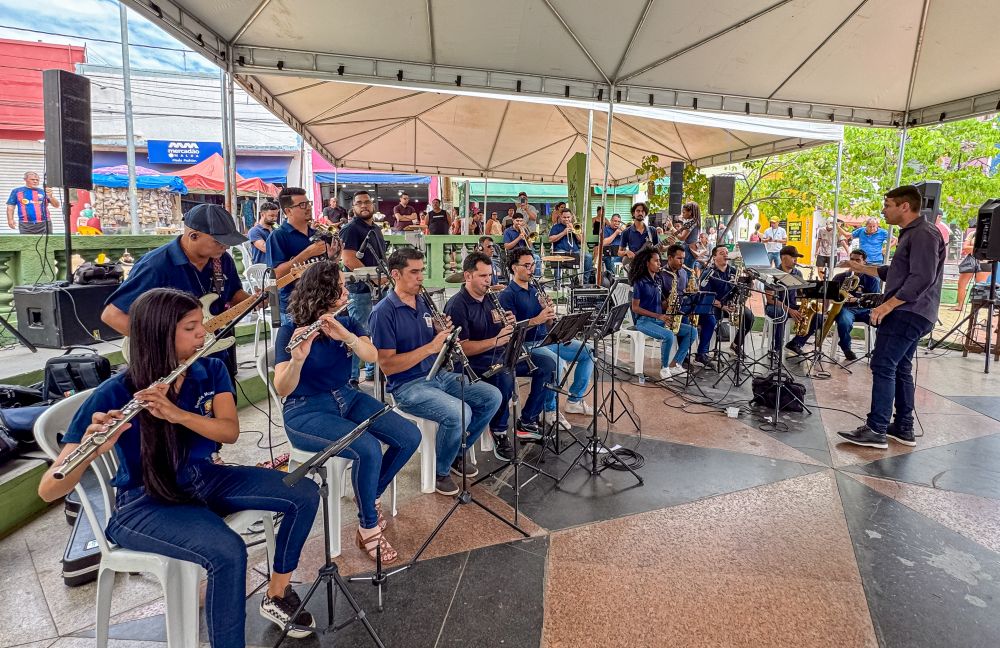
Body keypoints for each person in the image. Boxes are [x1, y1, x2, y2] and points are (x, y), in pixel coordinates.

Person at [39, 288, 320, 645]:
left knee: (305, 492)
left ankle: (278, 594)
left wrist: (178, 415)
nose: (202, 332)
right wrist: (95, 448)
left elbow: (229, 432)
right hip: (145, 503)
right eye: (190, 327)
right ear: (159, 334)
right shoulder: (115, 392)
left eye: (200, 324)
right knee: (228, 551)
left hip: (204, 477)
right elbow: (50, 487)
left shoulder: (211, 369)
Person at [273, 262, 419, 564]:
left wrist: (346, 337)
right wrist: (298, 359)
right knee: (367, 448)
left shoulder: (348, 322)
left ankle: (370, 492)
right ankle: (367, 528)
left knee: (409, 436)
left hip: (347, 396)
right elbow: (283, 388)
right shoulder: (289, 329)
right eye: (339, 287)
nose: (345, 291)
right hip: (305, 409)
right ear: (322, 293)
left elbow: (372, 355)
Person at [369, 248, 501, 495]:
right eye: (414, 272)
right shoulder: (383, 312)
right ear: (396, 274)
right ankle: (440, 470)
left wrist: (441, 332)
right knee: (460, 412)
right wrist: (430, 346)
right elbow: (387, 365)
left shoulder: (422, 301)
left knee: (491, 396)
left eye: (422, 271)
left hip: (437, 375)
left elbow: (435, 343)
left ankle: (457, 452)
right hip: (408, 386)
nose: (421, 277)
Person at [838, 185, 946, 449]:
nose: (883, 211)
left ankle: (876, 429)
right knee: (900, 367)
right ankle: (903, 427)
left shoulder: (923, 234)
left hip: (908, 312)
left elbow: (921, 277)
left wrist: (887, 306)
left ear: (904, 206)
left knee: (884, 365)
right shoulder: (914, 233)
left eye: (887, 205)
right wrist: (859, 267)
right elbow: (894, 273)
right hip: (914, 312)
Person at [101, 203, 251, 379]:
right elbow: (112, 315)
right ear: (193, 235)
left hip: (213, 354)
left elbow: (233, 294)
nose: (225, 247)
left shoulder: (222, 260)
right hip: (169, 363)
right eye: (219, 242)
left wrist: (256, 299)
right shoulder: (156, 265)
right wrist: (167, 344)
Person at [445, 252, 555, 459]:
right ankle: (500, 431)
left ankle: (528, 419)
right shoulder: (457, 305)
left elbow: (504, 332)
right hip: (472, 363)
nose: (489, 281)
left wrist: (510, 326)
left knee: (547, 364)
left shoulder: (490, 300)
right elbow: (461, 349)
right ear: (468, 276)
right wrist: (496, 341)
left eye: (490, 275)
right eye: (483, 276)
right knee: (504, 372)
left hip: (498, 354)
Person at [500, 248, 594, 431]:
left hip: (547, 339)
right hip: (527, 344)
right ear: (514, 268)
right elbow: (510, 331)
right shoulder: (507, 295)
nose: (531, 269)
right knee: (555, 363)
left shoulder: (536, 288)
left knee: (587, 351)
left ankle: (574, 400)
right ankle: (549, 410)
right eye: (526, 266)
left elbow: (548, 323)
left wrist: (549, 315)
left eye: (532, 265)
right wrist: (537, 320)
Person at [266, 187, 336, 322]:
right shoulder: (278, 236)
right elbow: (276, 274)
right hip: (294, 307)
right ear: (288, 211)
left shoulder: (316, 233)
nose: (308, 208)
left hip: (320, 302)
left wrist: (332, 257)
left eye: (308, 203)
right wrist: (307, 253)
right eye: (302, 205)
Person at [339, 190, 387, 385]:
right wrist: (373, 279)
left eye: (367, 202)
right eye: (359, 203)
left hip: (377, 289)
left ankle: (371, 371)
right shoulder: (351, 229)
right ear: (354, 207)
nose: (364, 205)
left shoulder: (375, 228)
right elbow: (348, 258)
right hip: (360, 290)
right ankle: (351, 379)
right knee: (358, 333)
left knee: (373, 331)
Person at [628, 246, 694, 380]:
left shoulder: (657, 280)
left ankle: (675, 364)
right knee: (669, 335)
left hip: (659, 320)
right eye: (657, 261)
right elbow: (635, 308)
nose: (660, 264)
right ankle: (664, 368)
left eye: (659, 261)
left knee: (692, 331)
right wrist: (659, 316)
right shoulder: (639, 282)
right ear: (647, 263)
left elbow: (660, 303)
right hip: (644, 321)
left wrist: (670, 303)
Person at [697, 245, 754, 366]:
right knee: (710, 319)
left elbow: (745, 289)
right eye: (722, 253)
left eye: (727, 252)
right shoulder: (708, 273)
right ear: (714, 257)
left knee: (749, 316)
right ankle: (702, 353)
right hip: (714, 305)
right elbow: (704, 295)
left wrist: (750, 280)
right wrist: (722, 306)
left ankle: (736, 344)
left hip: (731, 305)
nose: (725, 255)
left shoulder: (733, 271)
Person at [831, 249, 882, 361]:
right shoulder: (840, 277)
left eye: (858, 260)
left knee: (884, 321)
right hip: (846, 308)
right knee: (844, 321)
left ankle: (879, 349)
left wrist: (857, 299)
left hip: (865, 310)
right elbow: (830, 297)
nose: (854, 262)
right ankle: (846, 348)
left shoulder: (872, 280)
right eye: (852, 259)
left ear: (864, 262)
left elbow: (875, 300)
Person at [763, 245, 806, 355]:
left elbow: (802, 294)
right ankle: (776, 348)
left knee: (817, 317)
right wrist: (789, 310)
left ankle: (795, 343)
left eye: (796, 257)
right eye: (793, 257)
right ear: (783, 258)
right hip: (774, 306)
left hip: (791, 305)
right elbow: (770, 299)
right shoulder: (772, 273)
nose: (796, 260)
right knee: (782, 313)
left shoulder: (798, 273)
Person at [548, 208, 593, 283]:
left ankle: (585, 281)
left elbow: (582, 240)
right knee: (557, 257)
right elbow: (550, 239)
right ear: (561, 217)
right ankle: (557, 283)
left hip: (575, 252)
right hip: (561, 251)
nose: (566, 219)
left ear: (571, 217)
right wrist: (563, 233)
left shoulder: (575, 227)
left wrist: (574, 230)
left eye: (568, 217)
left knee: (588, 257)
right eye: (564, 217)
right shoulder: (556, 227)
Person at [954, 223, 990, 311]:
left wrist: (972, 248)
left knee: (980, 287)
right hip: (971, 261)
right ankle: (960, 305)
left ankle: (976, 309)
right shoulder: (972, 234)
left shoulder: (990, 235)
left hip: (985, 262)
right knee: (961, 284)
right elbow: (965, 248)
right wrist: (979, 248)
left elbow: (989, 249)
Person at [502, 213, 542, 278]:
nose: (519, 223)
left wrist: (526, 236)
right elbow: (507, 246)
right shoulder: (507, 231)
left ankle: (536, 279)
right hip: (514, 254)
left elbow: (529, 245)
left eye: (521, 221)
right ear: (513, 220)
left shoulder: (524, 230)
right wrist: (519, 238)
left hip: (524, 253)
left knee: (536, 257)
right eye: (517, 221)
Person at [247, 200, 278, 265]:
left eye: (276, 216)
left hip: (276, 265)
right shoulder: (254, 231)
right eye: (271, 216)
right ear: (262, 215)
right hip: (262, 269)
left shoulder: (275, 230)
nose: (275, 218)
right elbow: (266, 248)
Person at [678, 202, 702, 268]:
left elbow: (682, 237)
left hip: (688, 250)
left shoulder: (690, 222)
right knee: (689, 271)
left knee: (686, 271)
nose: (682, 214)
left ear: (690, 212)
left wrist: (671, 228)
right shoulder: (696, 221)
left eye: (684, 212)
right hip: (693, 249)